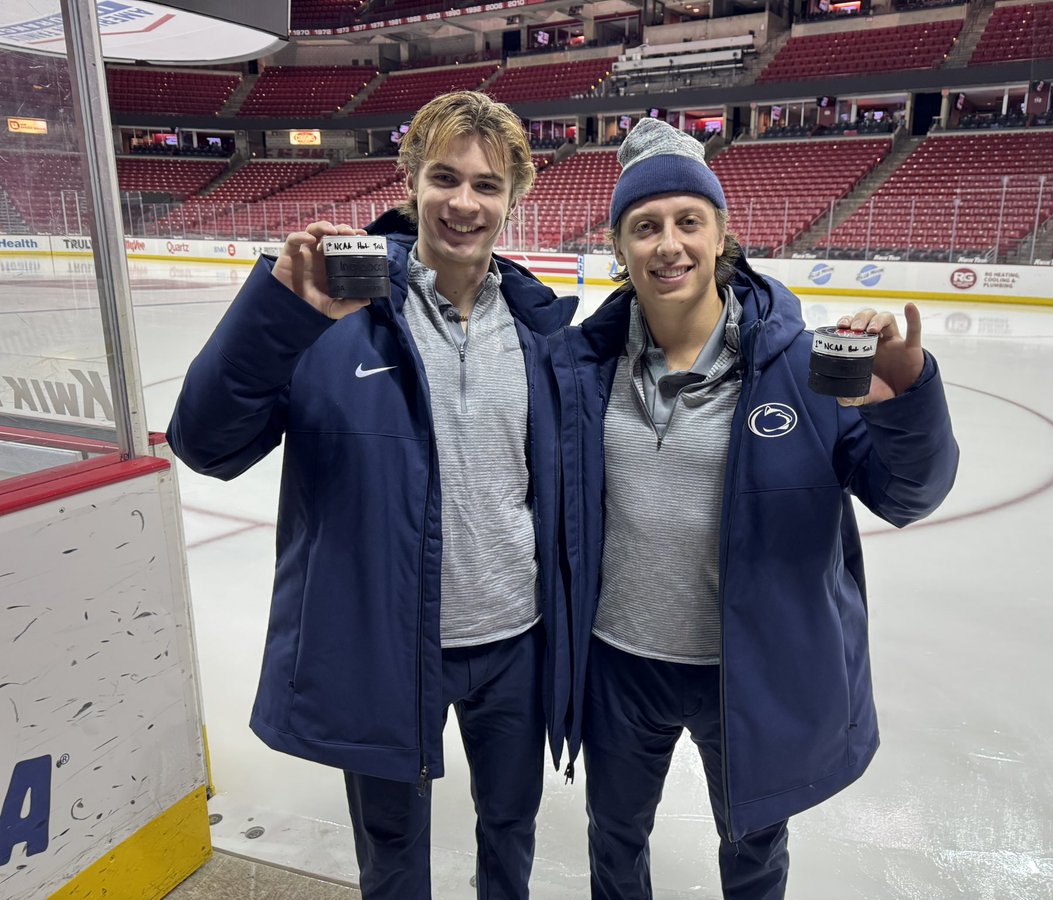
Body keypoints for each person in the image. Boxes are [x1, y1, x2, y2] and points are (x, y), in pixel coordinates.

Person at [167, 91, 576, 900]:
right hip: (388, 647)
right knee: (392, 859)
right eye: (445, 177)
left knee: (511, 833)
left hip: (515, 644)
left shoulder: (540, 331)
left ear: (514, 199)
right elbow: (205, 444)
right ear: (410, 181)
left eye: (488, 186)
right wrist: (279, 317)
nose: (464, 203)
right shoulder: (331, 311)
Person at [550, 116, 959, 899]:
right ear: (619, 246)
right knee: (615, 841)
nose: (667, 244)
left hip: (743, 669)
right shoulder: (583, 366)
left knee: (753, 852)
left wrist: (904, 399)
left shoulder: (802, 367)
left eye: (687, 222)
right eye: (644, 227)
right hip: (619, 662)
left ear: (720, 234)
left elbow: (909, 494)